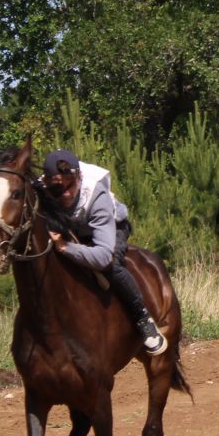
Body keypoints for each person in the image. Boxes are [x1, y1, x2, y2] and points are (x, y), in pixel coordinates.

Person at [37, 149, 169, 355]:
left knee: (111, 266)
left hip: (109, 230)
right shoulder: (41, 190)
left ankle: (142, 318)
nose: (66, 193)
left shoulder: (96, 194)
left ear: (78, 177)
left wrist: (65, 247)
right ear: (46, 182)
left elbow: (102, 256)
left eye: (70, 184)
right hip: (73, 231)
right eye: (56, 188)